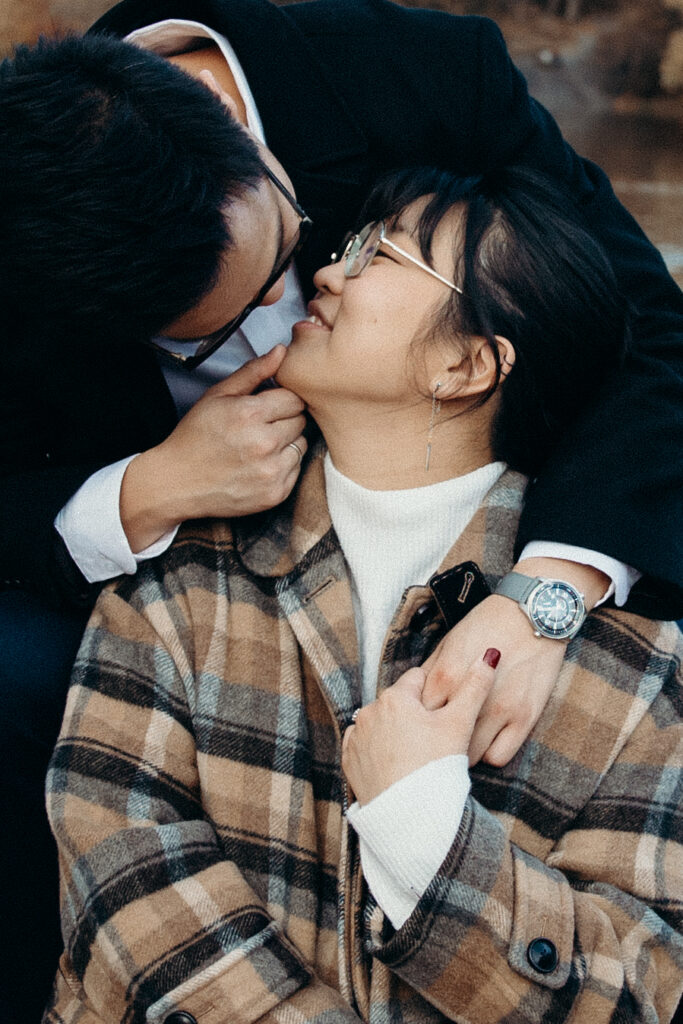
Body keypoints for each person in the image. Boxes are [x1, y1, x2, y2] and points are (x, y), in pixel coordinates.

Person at [1, 4, 682, 1011]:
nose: (310, 279)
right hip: (182, 576)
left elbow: (649, 334)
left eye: (316, 238)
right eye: (226, 325)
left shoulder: (422, 77)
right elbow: (129, 876)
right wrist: (145, 491)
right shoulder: (160, 608)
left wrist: (543, 595)